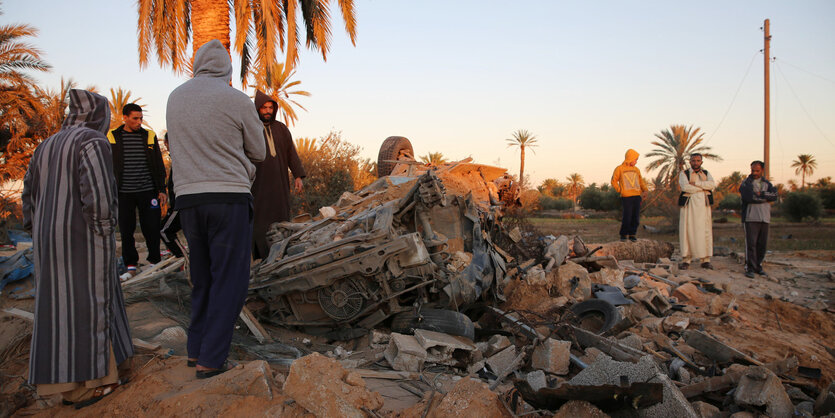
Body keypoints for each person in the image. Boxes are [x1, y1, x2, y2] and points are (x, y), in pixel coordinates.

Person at [22, 89, 134, 408]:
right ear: (101, 115)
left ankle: (100, 371)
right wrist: (103, 230)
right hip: (82, 238)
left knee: (59, 308)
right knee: (90, 303)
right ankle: (90, 385)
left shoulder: (46, 145)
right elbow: (97, 193)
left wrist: (39, 230)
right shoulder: (93, 141)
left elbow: (28, 196)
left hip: (47, 242)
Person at [166, 39, 265, 378]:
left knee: (204, 278)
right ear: (227, 68)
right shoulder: (235, 99)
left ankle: (196, 351)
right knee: (231, 281)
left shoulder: (175, 97)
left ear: (196, 64)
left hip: (189, 201)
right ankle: (211, 360)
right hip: (228, 198)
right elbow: (260, 152)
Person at [107, 103, 167, 278]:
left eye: (141, 118)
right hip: (124, 193)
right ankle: (130, 266)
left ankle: (154, 263)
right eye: (135, 118)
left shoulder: (149, 136)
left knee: (152, 228)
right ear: (124, 118)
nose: (139, 122)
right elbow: (108, 164)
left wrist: (161, 189)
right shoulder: (112, 136)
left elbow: (158, 164)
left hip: (148, 191)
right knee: (126, 230)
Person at [251, 90, 307, 260]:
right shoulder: (251, 128)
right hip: (258, 186)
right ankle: (262, 258)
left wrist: (298, 176)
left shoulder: (281, 129)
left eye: (270, 108)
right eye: (264, 108)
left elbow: (291, 153)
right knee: (259, 223)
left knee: (281, 219)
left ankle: (282, 255)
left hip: (280, 185)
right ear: (257, 109)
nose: (267, 111)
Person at [739, 160, 777, 278]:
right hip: (751, 217)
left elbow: (774, 196)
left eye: (757, 170)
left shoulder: (767, 183)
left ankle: (758, 266)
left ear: (762, 170)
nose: (754, 172)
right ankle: (750, 268)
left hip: (765, 217)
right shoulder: (746, 183)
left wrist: (762, 194)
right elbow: (749, 197)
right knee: (751, 244)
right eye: (752, 170)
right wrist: (764, 196)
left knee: (762, 244)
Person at [678, 153, 716, 270]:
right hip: (689, 206)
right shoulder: (684, 173)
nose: (696, 163)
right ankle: (686, 260)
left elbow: (712, 185)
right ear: (690, 162)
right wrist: (703, 188)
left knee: (705, 231)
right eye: (693, 160)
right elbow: (685, 187)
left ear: (701, 162)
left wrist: (697, 184)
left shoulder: (706, 173)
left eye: (698, 160)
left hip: (704, 207)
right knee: (687, 230)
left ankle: (705, 260)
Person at [611, 149, 648, 242]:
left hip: (637, 196)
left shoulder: (636, 170)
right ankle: (623, 234)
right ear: (630, 158)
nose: (636, 161)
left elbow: (640, 181)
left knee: (635, 217)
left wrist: (645, 190)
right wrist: (620, 190)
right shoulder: (619, 168)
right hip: (626, 197)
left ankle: (632, 234)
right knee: (627, 216)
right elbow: (613, 181)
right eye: (635, 159)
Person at [159, 133, 183, 258]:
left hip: (181, 204)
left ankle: (182, 257)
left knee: (164, 231)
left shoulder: (181, 158)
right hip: (179, 203)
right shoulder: (178, 158)